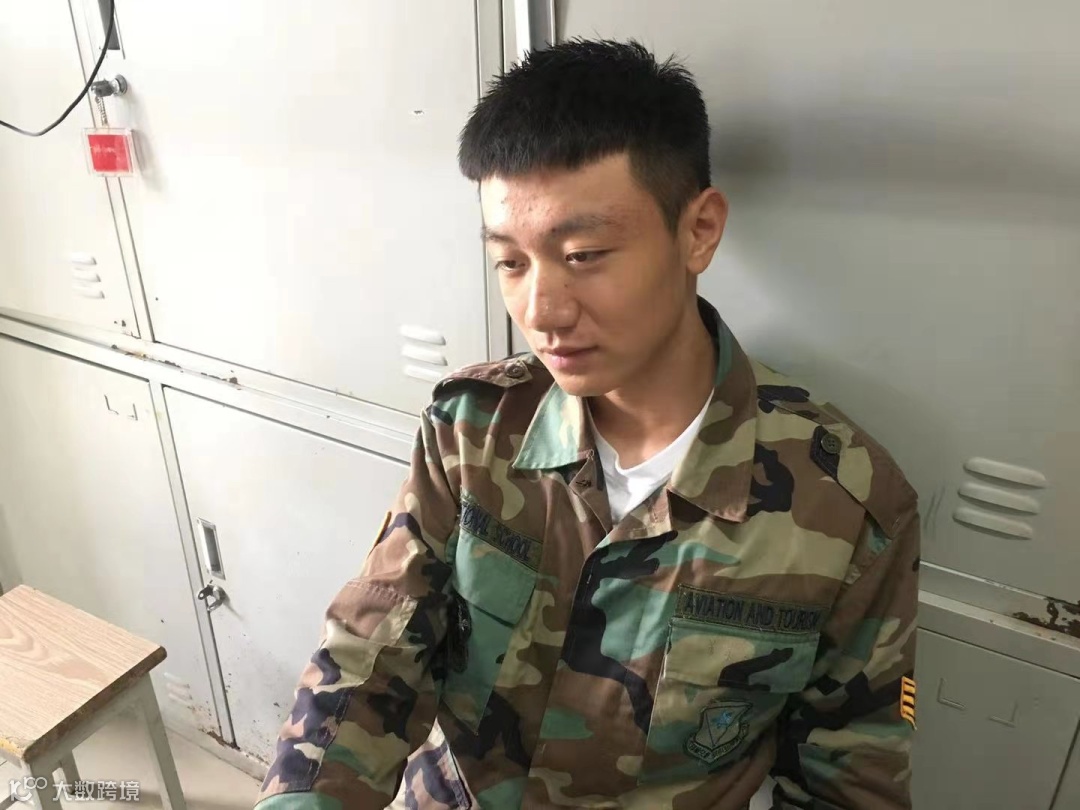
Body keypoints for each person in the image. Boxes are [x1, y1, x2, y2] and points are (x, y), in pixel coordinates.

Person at [254, 39, 920, 810]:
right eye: (511, 262)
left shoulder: (846, 505)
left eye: (583, 254)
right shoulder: (472, 430)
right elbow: (375, 648)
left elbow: (854, 777)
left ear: (699, 230)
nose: (541, 312)